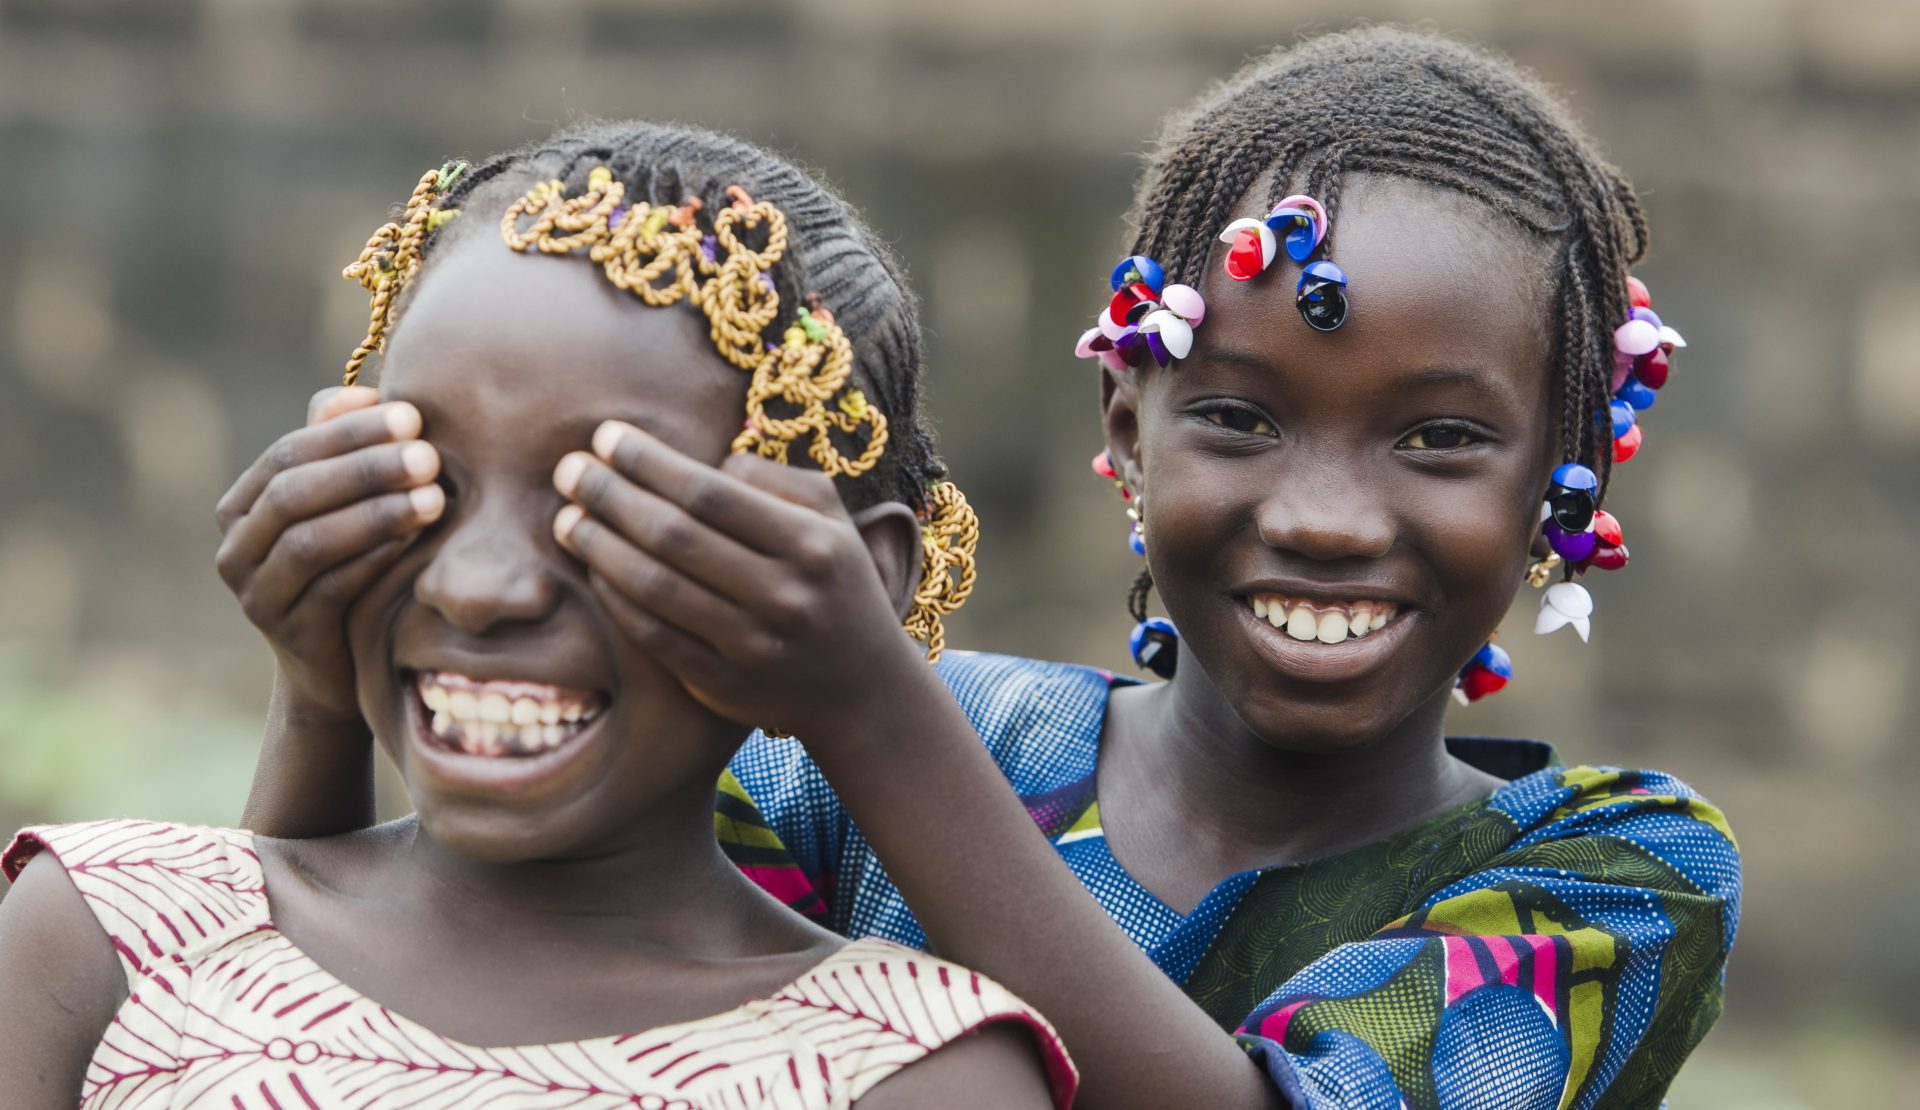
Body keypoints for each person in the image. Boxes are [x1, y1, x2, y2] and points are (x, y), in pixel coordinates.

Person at [238, 27, 1742, 1109]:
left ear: (1570, 473)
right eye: (1235, 417)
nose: (1329, 516)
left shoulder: (1615, 878)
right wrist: (321, 693)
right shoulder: (840, 770)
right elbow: (407, 1007)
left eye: (1436, 440)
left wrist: (870, 703)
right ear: (1127, 428)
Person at [0, 122, 1076, 1109]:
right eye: (426, 480)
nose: (476, 585)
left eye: (598, 506)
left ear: (850, 582)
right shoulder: (107, 929)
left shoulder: (915, 1069)